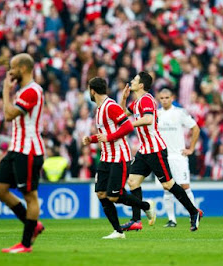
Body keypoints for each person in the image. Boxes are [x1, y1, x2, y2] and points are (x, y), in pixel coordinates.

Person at [120, 71, 201, 231]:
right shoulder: (136, 103)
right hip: (144, 150)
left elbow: (149, 119)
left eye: (135, 79)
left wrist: (130, 125)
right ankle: (136, 220)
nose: (132, 81)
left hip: (156, 149)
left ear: (141, 85)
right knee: (132, 182)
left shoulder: (147, 99)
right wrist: (123, 99)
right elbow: (123, 115)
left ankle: (194, 212)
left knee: (168, 184)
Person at [82, 77, 156, 239]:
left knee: (114, 196)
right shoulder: (99, 109)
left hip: (119, 157)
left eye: (89, 90)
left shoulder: (111, 106)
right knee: (101, 194)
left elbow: (128, 126)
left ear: (92, 91)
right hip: (106, 158)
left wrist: (108, 138)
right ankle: (118, 231)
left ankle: (145, 205)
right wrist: (92, 139)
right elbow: (106, 134)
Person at [0, 53, 45, 253]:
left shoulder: (32, 91)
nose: (10, 72)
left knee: (30, 195)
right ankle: (34, 225)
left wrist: (5, 91)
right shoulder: (24, 90)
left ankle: (25, 244)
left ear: (23, 69)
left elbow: (8, 115)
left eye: (12, 68)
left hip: (29, 151)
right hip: (15, 149)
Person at [157, 88, 201, 227]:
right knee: (166, 188)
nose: (164, 100)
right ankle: (172, 220)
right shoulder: (156, 114)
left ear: (172, 98)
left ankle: (194, 215)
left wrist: (191, 149)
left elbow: (195, 128)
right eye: (162, 98)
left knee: (185, 186)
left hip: (178, 156)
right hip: (164, 157)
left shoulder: (179, 113)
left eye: (167, 97)